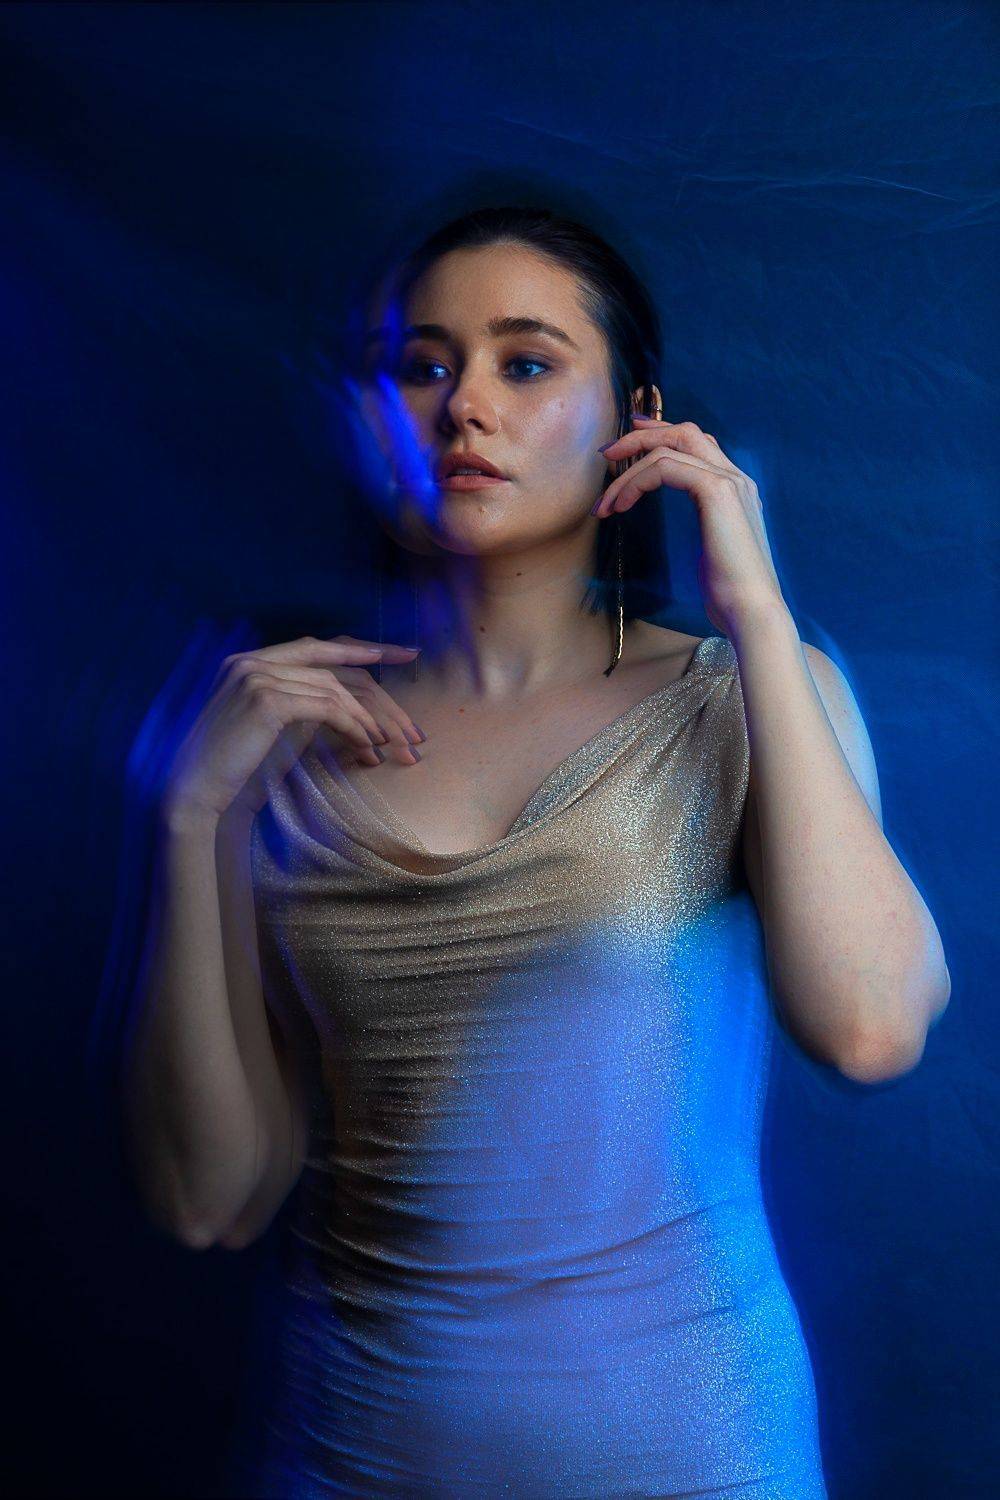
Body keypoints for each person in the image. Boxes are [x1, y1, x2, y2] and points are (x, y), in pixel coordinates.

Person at [122, 205, 950, 1497]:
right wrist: (188, 816)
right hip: (346, 1462)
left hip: (691, 1459)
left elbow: (871, 1028)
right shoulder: (275, 739)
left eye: (525, 362)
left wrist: (757, 614)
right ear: (367, 414)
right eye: (424, 365)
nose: (465, 407)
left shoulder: (742, 694)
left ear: (637, 415)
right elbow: (209, 1199)